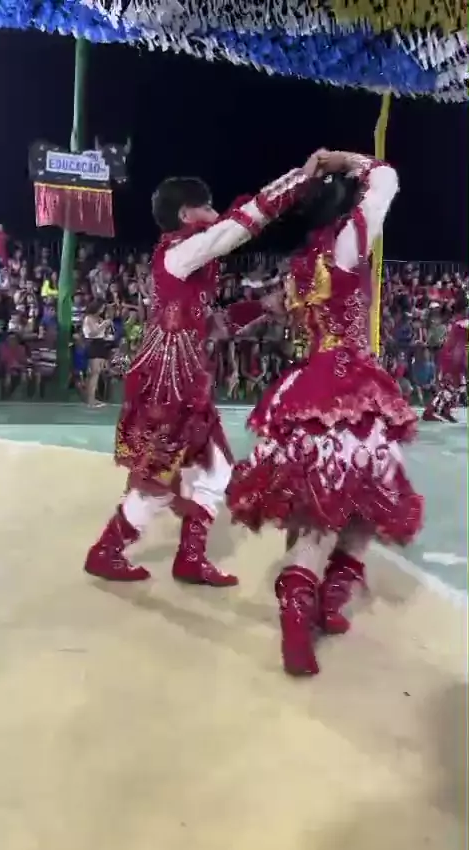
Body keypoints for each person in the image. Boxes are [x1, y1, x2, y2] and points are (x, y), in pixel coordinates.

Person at [84, 150, 330, 584]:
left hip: (186, 382)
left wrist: (263, 306)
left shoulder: (188, 269)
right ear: (185, 214)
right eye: (208, 206)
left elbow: (214, 325)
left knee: (214, 471)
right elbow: (236, 229)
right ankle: (107, 552)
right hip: (169, 386)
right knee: (159, 482)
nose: (216, 213)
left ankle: (188, 559)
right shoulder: (178, 253)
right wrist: (300, 178)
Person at [226, 151, 424, 676]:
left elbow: (270, 308)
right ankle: (323, 605)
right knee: (364, 503)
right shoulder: (349, 243)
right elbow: (387, 177)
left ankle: (306, 609)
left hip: (308, 385)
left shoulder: (300, 266)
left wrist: (234, 317)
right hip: (352, 387)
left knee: (319, 505)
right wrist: (342, 158)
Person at [422, 292, 468, 422]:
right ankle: (431, 411)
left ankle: (445, 410)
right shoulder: (461, 322)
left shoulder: (458, 321)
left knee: (458, 386)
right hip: (453, 356)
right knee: (450, 386)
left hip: (455, 355)